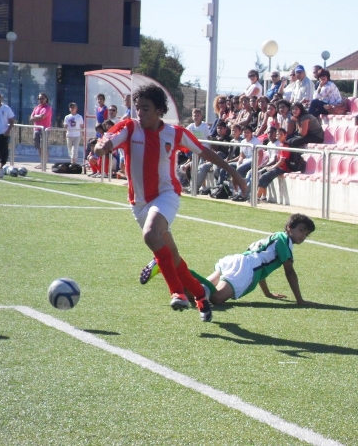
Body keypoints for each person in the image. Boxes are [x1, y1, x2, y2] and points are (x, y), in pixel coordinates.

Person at [94, 84, 247, 322]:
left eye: (145, 109)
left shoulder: (174, 133)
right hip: (139, 203)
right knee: (172, 257)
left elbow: (203, 151)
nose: (140, 113)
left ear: (159, 111)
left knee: (150, 235)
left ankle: (177, 292)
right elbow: (106, 142)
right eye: (138, 108)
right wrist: (101, 148)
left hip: (166, 195)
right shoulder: (130, 128)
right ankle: (200, 296)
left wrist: (234, 172)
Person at [141, 213, 317, 306]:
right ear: (289, 227)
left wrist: (267, 294)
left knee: (196, 293)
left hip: (238, 262)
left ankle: (166, 266)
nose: (303, 236)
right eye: (301, 230)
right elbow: (289, 272)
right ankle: (167, 265)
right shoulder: (284, 241)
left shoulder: (275, 238)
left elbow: (261, 267)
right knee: (217, 298)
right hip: (244, 269)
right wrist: (300, 300)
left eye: (306, 234)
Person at [255, 127, 288, 201]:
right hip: (277, 166)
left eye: (281, 134)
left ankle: (256, 197)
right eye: (278, 134)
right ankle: (263, 197)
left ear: (285, 135)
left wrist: (271, 167)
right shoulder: (279, 145)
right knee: (262, 174)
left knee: (264, 177)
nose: (279, 136)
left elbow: (281, 162)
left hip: (282, 168)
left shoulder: (285, 146)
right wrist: (264, 166)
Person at [30, 92, 53, 168]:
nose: (41, 100)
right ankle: (42, 162)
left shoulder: (47, 108)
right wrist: (38, 116)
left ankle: (44, 163)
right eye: (39, 99)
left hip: (44, 130)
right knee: (39, 147)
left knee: (43, 147)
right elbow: (31, 118)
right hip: (36, 129)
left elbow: (42, 116)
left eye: (42, 98)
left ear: (46, 99)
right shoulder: (36, 108)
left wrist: (36, 117)